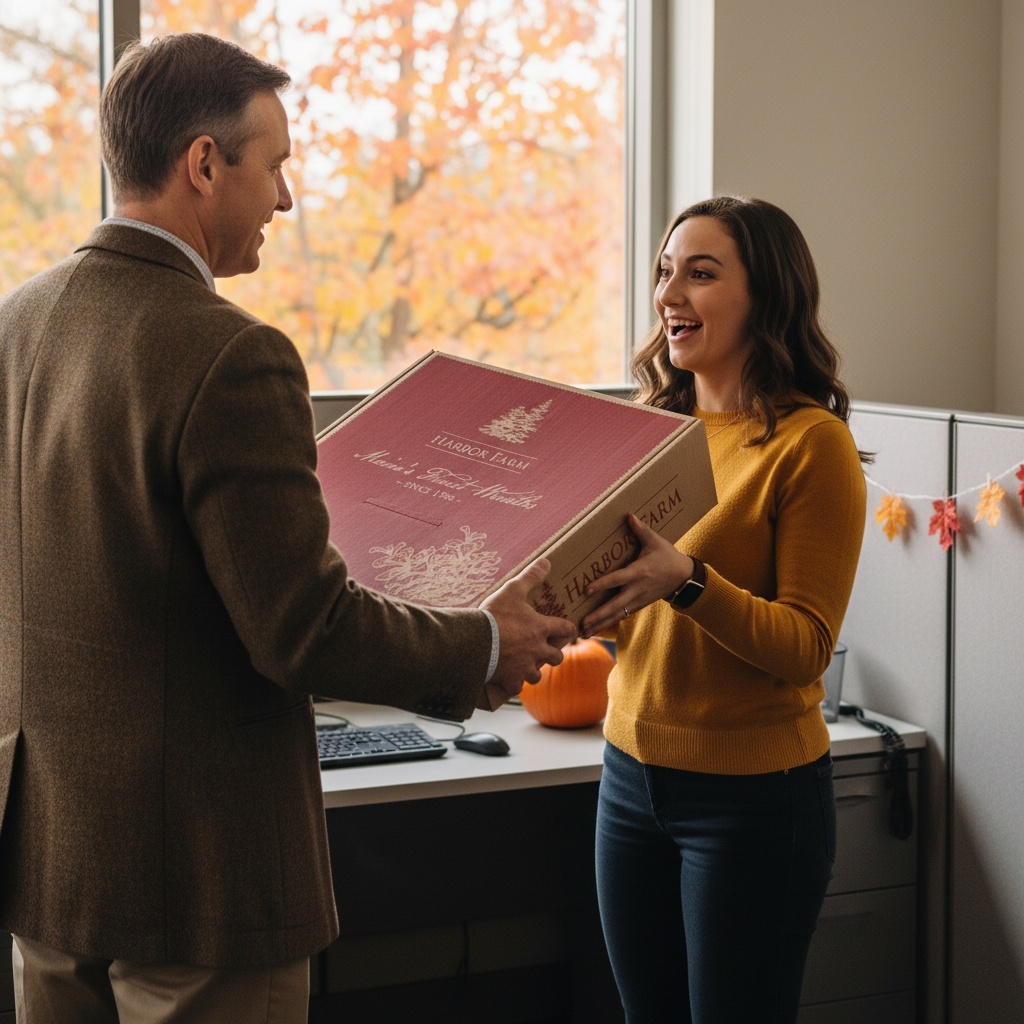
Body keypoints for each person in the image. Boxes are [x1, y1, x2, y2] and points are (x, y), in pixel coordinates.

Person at [0, 32, 576, 1024]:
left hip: (51, 859)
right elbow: (303, 630)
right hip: (198, 882)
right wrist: (486, 641)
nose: (286, 199)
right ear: (203, 164)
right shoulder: (230, 353)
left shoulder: (16, 322)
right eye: (275, 167)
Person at [579, 196, 868, 1023]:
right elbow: (627, 622)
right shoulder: (647, 432)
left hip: (755, 800)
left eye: (701, 274)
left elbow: (806, 646)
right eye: (666, 271)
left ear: (765, 296)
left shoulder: (810, 444)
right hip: (628, 776)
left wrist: (687, 581)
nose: (670, 294)